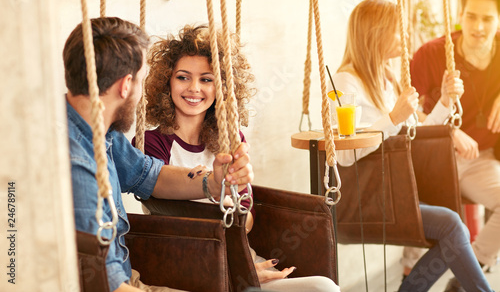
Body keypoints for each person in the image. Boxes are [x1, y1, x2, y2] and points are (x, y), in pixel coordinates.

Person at [138, 24, 340, 292]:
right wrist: (213, 186)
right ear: (167, 81)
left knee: (323, 287)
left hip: (241, 261)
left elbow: (247, 223)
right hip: (192, 269)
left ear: (221, 87)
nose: (194, 88)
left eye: (206, 79)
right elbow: (162, 210)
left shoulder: (231, 140)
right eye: (183, 77)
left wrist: (234, 203)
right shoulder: (151, 143)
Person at [64, 17, 253, 292]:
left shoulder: (101, 133)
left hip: (132, 277)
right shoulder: (78, 165)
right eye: (142, 81)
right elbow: (103, 284)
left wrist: (213, 182)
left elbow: (150, 175)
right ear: (126, 85)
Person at [333, 0, 493, 292]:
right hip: (364, 200)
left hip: (394, 194)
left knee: (450, 230)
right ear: (376, 34)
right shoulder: (346, 82)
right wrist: (394, 116)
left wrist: (444, 102)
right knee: (452, 225)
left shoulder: (387, 76)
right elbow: (344, 156)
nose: (405, 36)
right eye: (398, 30)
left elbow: (414, 136)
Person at [411, 0, 500, 277]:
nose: (478, 26)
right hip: (431, 159)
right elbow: (404, 112)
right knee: (415, 227)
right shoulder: (432, 53)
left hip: (478, 160)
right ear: (460, 16)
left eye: (487, 18)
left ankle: (471, 269)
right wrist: (448, 131)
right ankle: (409, 276)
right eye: (471, 16)